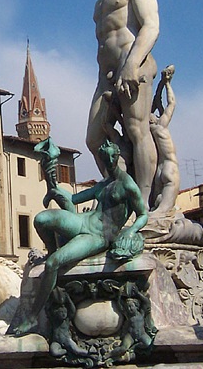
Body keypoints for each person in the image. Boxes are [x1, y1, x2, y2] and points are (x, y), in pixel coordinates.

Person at [12, 140, 148, 335]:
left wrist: (131, 230)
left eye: (111, 156)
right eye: (104, 157)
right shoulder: (104, 184)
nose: (108, 161)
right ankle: (52, 249)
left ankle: (32, 318)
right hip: (83, 221)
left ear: (117, 157)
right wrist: (52, 182)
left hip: (99, 235)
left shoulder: (128, 185)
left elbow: (143, 214)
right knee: (41, 219)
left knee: (53, 264)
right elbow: (74, 199)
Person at [85, 0, 160, 205]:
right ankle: (121, 193)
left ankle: (142, 202)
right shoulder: (101, 0)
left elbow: (151, 26)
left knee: (137, 130)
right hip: (105, 76)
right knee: (94, 139)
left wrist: (131, 65)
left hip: (134, 63)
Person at [148, 65, 179, 215]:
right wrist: (167, 84)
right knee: (162, 211)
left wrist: (161, 84)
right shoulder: (161, 125)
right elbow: (171, 103)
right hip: (169, 166)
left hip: (158, 172)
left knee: (156, 210)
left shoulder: (147, 131)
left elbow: (157, 102)